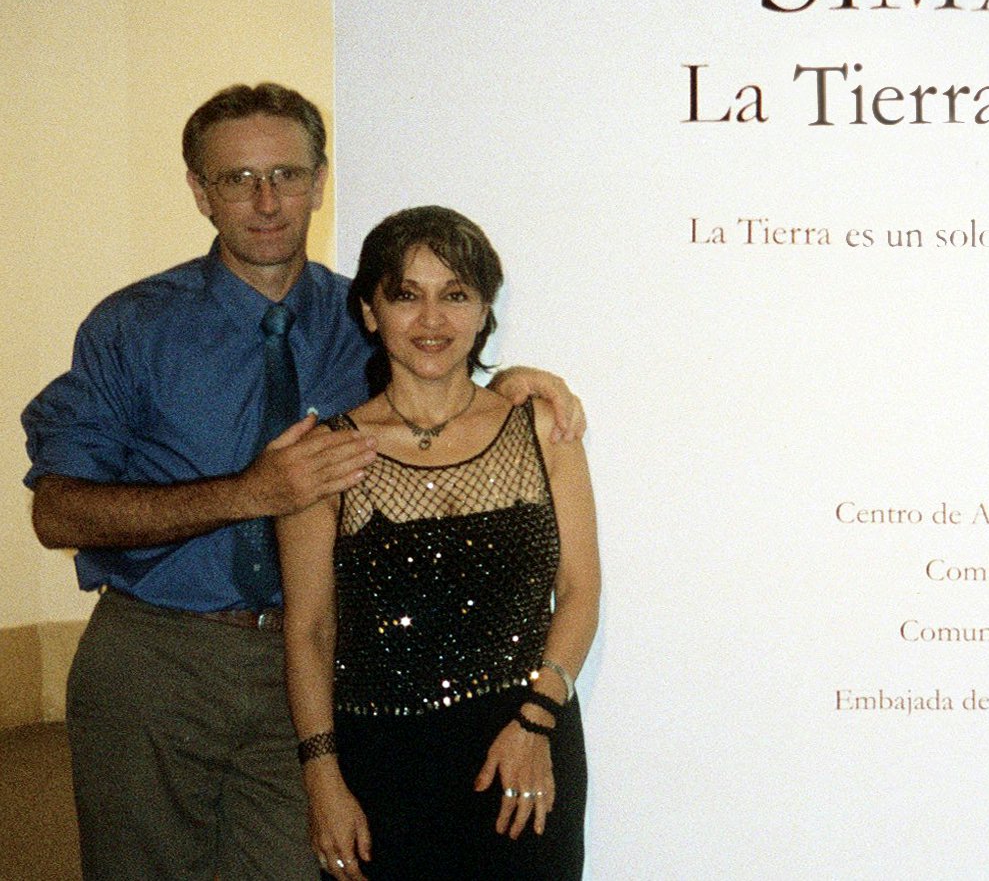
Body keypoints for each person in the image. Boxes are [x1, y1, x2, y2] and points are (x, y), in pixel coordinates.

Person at [22, 83, 584, 881]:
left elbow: (429, 377)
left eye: (286, 174)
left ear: (320, 181)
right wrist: (248, 492)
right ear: (199, 192)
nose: (265, 200)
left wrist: (514, 380)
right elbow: (57, 511)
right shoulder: (132, 326)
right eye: (237, 178)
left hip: (314, 663)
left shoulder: (358, 312)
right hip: (159, 655)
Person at [278, 206, 599, 881]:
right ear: (370, 311)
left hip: (523, 747)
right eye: (406, 295)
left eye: (455, 294)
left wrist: (538, 720)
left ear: (483, 311)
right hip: (382, 764)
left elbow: (579, 591)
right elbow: (308, 630)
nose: (432, 320)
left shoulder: (541, 429)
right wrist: (322, 778)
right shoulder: (326, 458)